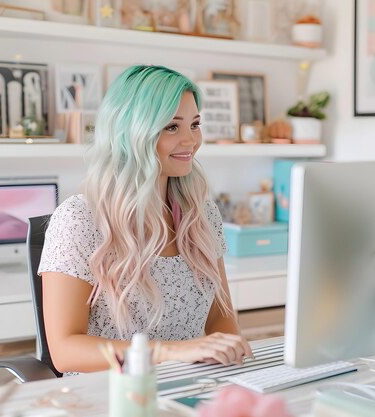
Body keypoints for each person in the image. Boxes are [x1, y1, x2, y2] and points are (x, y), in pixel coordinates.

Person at [39, 65, 253, 373]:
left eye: (195, 124)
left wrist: (238, 371)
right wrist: (173, 352)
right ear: (131, 133)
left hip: (189, 391)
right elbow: (66, 351)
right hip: (111, 397)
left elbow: (222, 320)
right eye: (171, 127)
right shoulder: (79, 219)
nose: (190, 140)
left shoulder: (201, 213)